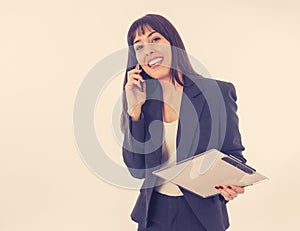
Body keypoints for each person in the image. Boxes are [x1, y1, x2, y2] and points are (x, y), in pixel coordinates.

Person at [121, 14, 246, 231]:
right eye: (138, 47)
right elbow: (136, 169)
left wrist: (229, 185)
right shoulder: (144, 104)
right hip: (153, 215)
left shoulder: (216, 93)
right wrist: (135, 112)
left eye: (155, 39)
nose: (148, 50)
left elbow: (234, 155)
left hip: (201, 216)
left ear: (173, 44)